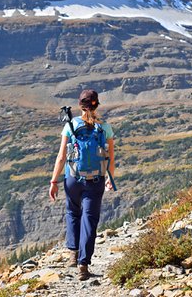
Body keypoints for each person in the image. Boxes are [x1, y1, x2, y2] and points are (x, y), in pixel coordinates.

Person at [49, 89, 115, 281]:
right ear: (96, 105)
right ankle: (83, 264)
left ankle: (72, 252)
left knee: (72, 212)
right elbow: (110, 157)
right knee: (89, 219)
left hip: (72, 179)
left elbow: (61, 157)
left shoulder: (70, 125)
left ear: (80, 106)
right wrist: (110, 177)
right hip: (95, 180)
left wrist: (54, 181)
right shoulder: (105, 128)